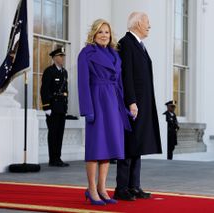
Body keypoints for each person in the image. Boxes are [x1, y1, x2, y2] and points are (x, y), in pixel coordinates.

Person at [77, 19, 131, 205]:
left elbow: (120, 84)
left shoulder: (115, 55)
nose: (104, 35)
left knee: (108, 148)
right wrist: (87, 109)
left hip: (113, 102)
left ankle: (102, 188)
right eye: (100, 32)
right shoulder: (86, 53)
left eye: (107, 32)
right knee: (95, 147)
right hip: (97, 101)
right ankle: (91, 190)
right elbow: (82, 83)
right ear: (94, 34)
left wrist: (123, 107)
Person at [114, 12, 162, 201]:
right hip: (133, 104)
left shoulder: (139, 45)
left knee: (138, 144)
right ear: (137, 24)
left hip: (143, 102)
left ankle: (134, 186)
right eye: (147, 23)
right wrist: (131, 101)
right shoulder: (126, 44)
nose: (149, 26)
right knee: (129, 144)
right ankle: (122, 187)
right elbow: (126, 75)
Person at [40, 47, 69, 167]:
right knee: (53, 133)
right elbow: (44, 90)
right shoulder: (49, 71)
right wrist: (46, 107)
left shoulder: (64, 72)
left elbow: (66, 91)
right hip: (52, 108)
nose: (62, 58)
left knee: (60, 133)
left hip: (61, 108)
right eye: (60, 56)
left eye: (63, 56)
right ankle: (53, 159)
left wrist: (66, 106)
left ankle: (58, 157)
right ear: (55, 58)